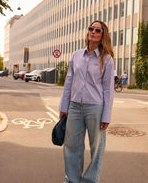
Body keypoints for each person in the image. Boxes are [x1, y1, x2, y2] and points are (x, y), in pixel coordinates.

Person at [58, 20, 114, 183]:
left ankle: (89, 180)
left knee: (97, 148)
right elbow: (68, 82)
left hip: (95, 108)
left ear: (103, 35)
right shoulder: (76, 55)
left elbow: (108, 89)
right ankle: (72, 179)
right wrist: (64, 106)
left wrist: (106, 116)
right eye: (91, 28)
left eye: (98, 30)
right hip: (74, 107)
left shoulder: (107, 59)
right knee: (71, 146)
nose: (93, 32)